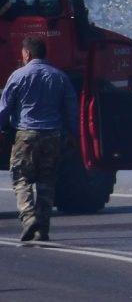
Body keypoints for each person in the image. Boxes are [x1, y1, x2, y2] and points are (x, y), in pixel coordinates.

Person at [0, 35, 79, 242]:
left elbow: (5, 108)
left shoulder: (18, 76)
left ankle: (28, 218)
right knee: (47, 181)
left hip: (25, 135)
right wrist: (73, 134)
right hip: (53, 136)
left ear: (27, 53)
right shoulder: (59, 77)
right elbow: (71, 109)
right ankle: (42, 227)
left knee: (21, 178)